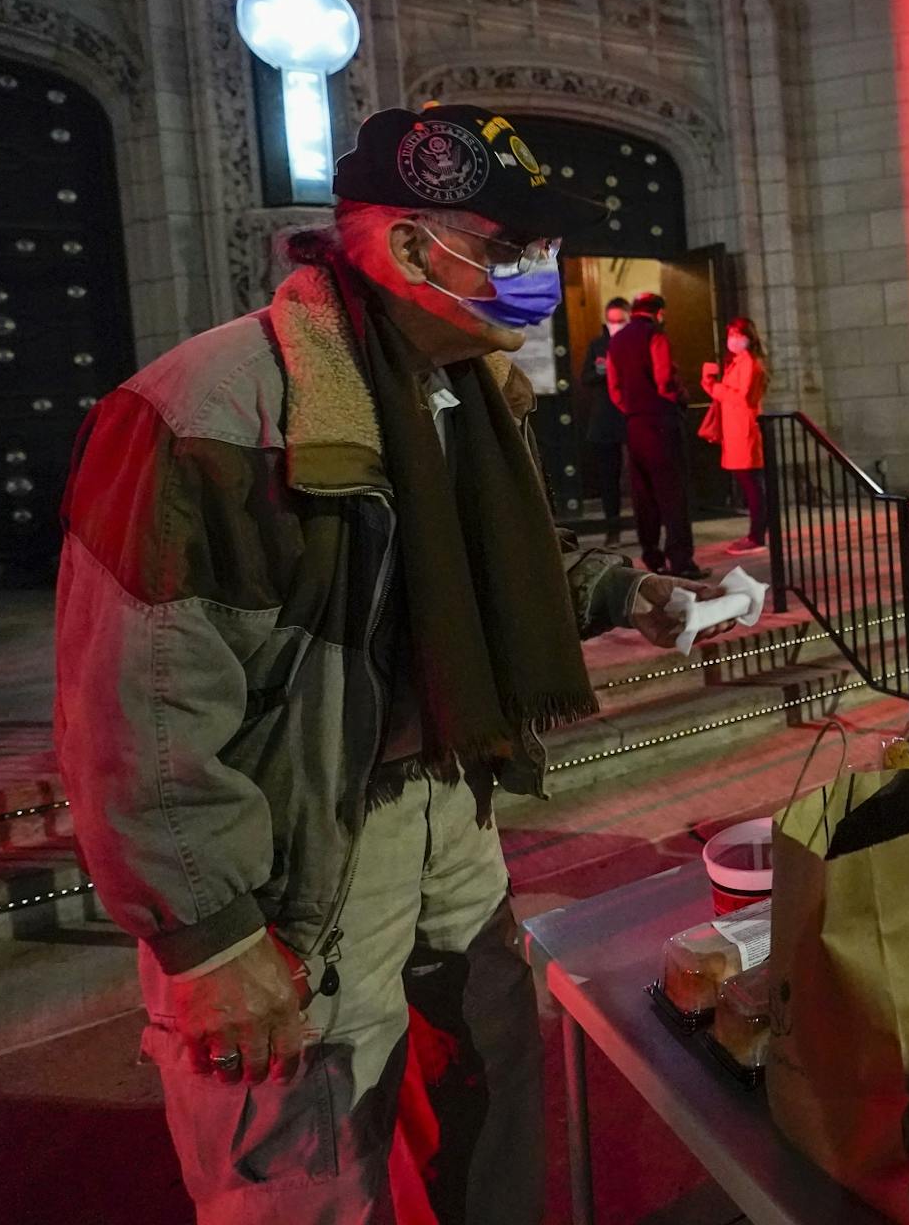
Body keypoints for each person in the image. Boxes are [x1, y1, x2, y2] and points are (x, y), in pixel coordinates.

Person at [52, 104, 735, 1225]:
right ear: (416, 246)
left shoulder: (460, 388)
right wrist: (209, 937)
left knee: (493, 1075)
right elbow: (138, 708)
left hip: (444, 804)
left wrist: (627, 591)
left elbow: (471, 563)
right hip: (300, 847)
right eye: (511, 248)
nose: (539, 275)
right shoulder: (211, 413)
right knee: (305, 1150)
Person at [608, 291, 704, 579]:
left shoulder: (617, 341)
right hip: (661, 422)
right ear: (658, 312)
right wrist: (678, 398)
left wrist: (631, 409)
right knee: (673, 492)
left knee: (644, 495)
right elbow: (663, 380)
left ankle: (652, 557)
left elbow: (614, 387)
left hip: (635, 424)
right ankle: (681, 560)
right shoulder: (655, 335)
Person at [701, 315, 772, 555]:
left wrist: (716, 388)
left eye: (737, 335)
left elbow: (741, 397)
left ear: (748, 337)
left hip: (744, 429)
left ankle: (757, 534)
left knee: (752, 483)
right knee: (750, 483)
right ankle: (756, 531)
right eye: (730, 335)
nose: (733, 340)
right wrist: (712, 385)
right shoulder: (739, 362)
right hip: (736, 428)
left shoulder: (750, 363)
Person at [575, 294, 632, 546]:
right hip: (606, 416)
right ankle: (613, 527)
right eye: (611, 321)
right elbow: (585, 377)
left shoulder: (636, 343)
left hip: (631, 414)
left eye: (620, 320)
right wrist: (603, 372)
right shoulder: (598, 345)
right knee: (609, 474)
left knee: (638, 473)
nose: (615, 325)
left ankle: (647, 525)